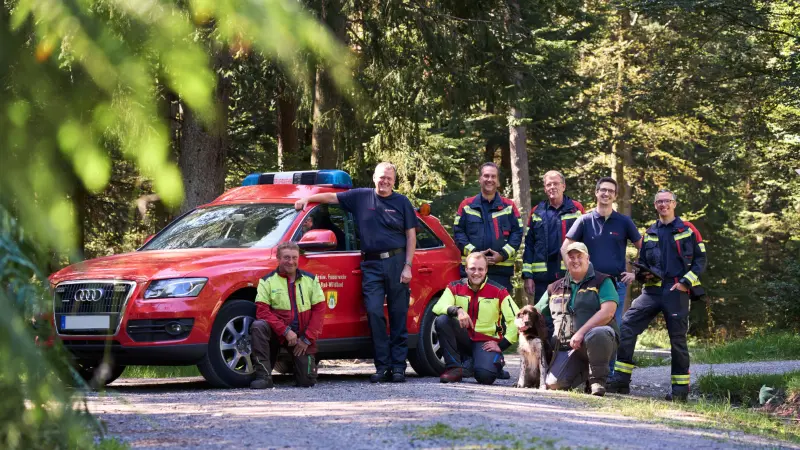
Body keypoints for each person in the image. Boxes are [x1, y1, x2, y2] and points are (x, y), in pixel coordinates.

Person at [294, 162, 416, 383]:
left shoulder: (402, 202)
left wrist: (408, 265)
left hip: (397, 262)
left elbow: (410, 235)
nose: (385, 181)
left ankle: (398, 367)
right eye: (381, 177)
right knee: (373, 312)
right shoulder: (360, 197)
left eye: (389, 178)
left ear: (394, 181)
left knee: (398, 315)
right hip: (370, 264)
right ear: (374, 178)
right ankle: (382, 367)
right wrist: (307, 199)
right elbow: (331, 198)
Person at [607, 189, 707, 402]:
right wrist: (639, 274)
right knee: (626, 327)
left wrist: (684, 283)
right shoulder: (650, 232)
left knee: (677, 340)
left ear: (674, 204)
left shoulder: (688, 229)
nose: (663, 205)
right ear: (655, 205)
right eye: (659, 202)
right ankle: (620, 381)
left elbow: (700, 261)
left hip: (676, 291)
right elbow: (644, 263)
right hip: (651, 291)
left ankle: (680, 392)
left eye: (667, 201)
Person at [535, 242, 619, 396]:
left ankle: (597, 382)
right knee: (554, 384)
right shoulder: (554, 287)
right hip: (568, 348)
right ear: (565, 261)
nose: (575, 260)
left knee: (599, 333)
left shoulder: (602, 281)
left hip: (596, 343)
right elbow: (534, 313)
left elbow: (608, 312)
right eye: (571, 257)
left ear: (588, 258)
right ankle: (583, 373)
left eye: (579, 256)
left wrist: (581, 333)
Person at [432, 252, 519, 385]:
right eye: (472, 268)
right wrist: (457, 310)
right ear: (466, 269)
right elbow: (438, 307)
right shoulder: (454, 287)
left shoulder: (499, 291)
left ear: (486, 270)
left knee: (485, 377)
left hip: (485, 342)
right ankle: (454, 368)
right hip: (464, 338)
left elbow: (516, 320)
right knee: (442, 320)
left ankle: (494, 364)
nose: (476, 273)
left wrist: (502, 345)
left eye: (480, 269)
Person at [250, 241, 326, 389]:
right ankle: (264, 377)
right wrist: (285, 331)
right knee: (258, 326)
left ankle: (299, 368)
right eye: (286, 257)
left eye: (294, 257)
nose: (290, 262)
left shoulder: (311, 280)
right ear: (278, 258)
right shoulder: (266, 281)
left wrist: (307, 339)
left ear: (298, 258)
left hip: (301, 337)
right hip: (277, 334)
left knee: (307, 382)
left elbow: (319, 311)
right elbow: (262, 311)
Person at [453, 162, 523, 292]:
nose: (489, 180)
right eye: (486, 176)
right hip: (472, 272)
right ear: (480, 179)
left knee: (499, 311)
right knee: (471, 310)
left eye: (493, 176)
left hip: (501, 272)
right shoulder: (466, 205)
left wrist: (502, 255)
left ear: (498, 182)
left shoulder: (509, 207)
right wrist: (475, 254)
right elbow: (458, 233)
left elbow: (517, 234)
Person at [522, 170, 585, 310]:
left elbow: (585, 243)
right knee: (541, 318)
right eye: (548, 184)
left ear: (563, 186)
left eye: (556, 183)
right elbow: (529, 245)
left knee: (568, 316)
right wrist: (528, 276)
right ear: (545, 188)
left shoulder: (576, 210)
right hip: (541, 279)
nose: (552, 187)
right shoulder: (536, 212)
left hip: (569, 275)